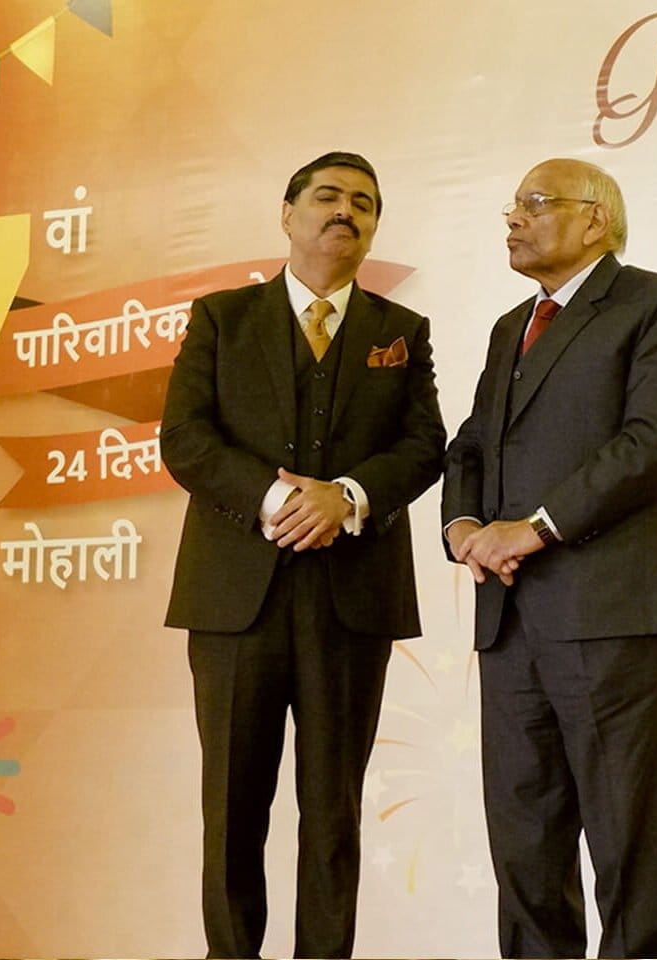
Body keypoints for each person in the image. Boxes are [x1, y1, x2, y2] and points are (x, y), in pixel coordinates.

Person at [161, 151, 445, 959]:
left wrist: (346, 496)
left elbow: (425, 445)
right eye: (327, 195)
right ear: (287, 214)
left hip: (351, 604)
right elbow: (185, 438)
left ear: (374, 228)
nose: (344, 210)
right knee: (231, 808)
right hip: (234, 600)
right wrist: (276, 500)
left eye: (364, 202)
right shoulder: (221, 318)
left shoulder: (401, 332)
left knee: (332, 814)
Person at [442, 158, 657, 959]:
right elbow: (473, 445)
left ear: (595, 219)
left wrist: (535, 527)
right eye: (512, 206)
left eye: (535, 203)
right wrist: (463, 525)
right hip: (509, 620)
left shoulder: (656, 302)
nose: (513, 218)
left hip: (610, 612)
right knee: (524, 847)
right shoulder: (509, 327)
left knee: (626, 845)